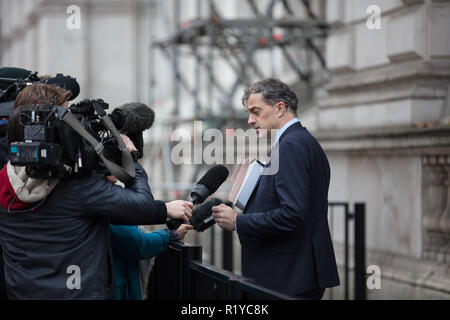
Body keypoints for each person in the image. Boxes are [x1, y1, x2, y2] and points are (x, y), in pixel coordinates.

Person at [0, 84, 193, 299]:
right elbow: (143, 207)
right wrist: (131, 159)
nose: (76, 126)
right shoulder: (78, 186)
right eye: (68, 117)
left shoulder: (5, 179)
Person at [212, 78, 340, 299]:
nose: (250, 120)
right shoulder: (298, 141)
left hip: (289, 275)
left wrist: (238, 221)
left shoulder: (291, 145)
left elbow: (292, 213)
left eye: (256, 111)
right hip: (292, 272)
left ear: (279, 108)